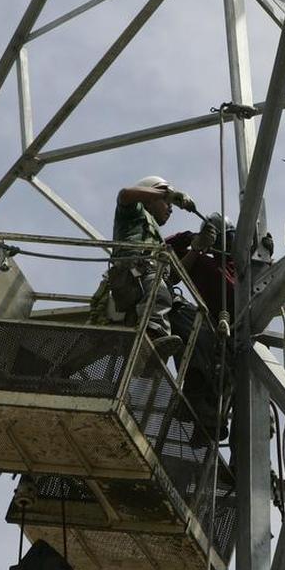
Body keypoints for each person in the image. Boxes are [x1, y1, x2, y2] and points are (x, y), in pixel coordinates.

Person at [109, 175, 198, 361]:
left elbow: (173, 278)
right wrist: (167, 193)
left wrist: (197, 249)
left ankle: (152, 350)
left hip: (144, 283)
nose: (170, 208)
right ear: (149, 199)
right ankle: (151, 339)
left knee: (167, 296)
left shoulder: (158, 241)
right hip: (132, 275)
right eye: (167, 203)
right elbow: (124, 195)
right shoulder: (134, 213)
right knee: (160, 292)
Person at [165, 213, 236, 441]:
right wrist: (193, 239)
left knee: (228, 377)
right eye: (227, 239)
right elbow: (166, 253)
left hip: (235, 335)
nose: (231, 244)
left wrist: (265, 255)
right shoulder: (204, 263)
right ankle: (196, 400)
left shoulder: (242, 271)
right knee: (183, 318)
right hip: (213, 329)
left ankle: (210, 421)